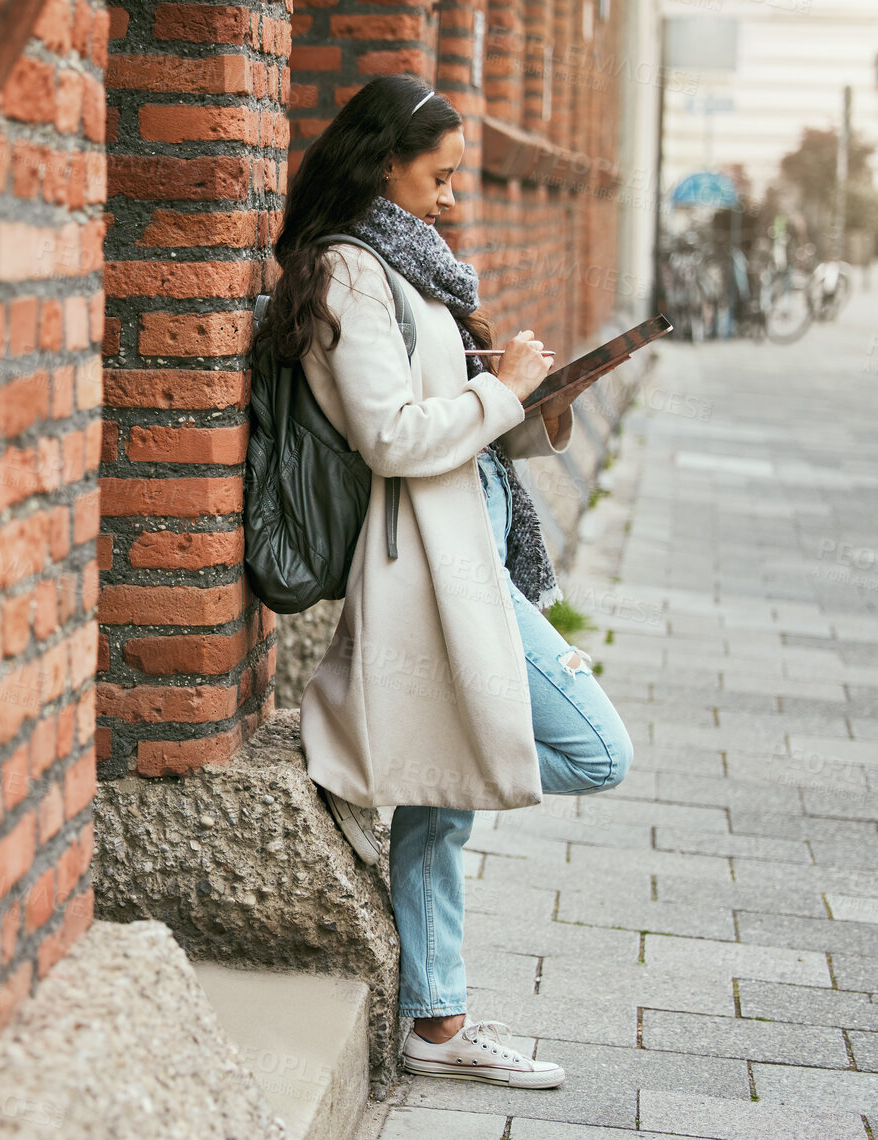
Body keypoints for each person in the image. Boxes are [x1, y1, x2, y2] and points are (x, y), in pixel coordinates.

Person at [253, 75, 635, 1089]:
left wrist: (523, 403)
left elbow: (442, 416)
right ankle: (383, 767)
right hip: (428, 564)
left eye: (462, 175)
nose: (456, 196)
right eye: (441, 173)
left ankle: (434, 1024)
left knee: (440, 803)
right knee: (598, 750)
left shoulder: (406, 265)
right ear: (384, 161)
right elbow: (387, 436)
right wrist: (497, 386)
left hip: (470, 547)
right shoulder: (347, 272)